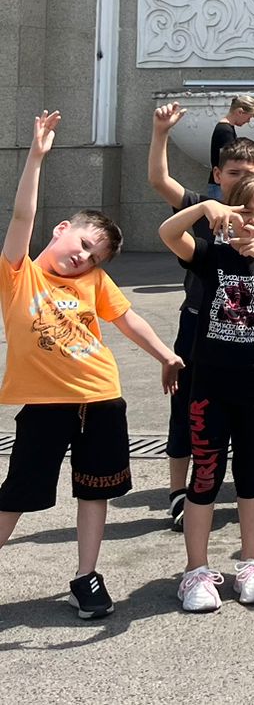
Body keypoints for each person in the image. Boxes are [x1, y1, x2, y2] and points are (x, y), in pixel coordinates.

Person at [0, 111, 181, 621]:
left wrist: (166, 355)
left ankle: (86, 576)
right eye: (82, 244)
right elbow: (21, 218)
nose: (83, 258)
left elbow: (128, 319)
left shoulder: (93, 283)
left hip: (101, 397)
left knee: (94, 489)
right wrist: (36, 158)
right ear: (61, 230)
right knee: (19, 492)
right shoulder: (19, 275)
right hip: (45, 406)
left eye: (94, 256)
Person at [148, 106, 254, 529]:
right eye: (234, 173)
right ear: (218, 175)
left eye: (251, 173)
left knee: (250, 432)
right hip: (200, 324)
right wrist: (161, 134)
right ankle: (180, 492)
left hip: (252, 344)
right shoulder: (205, 209)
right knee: (188, 410)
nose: (242, 180)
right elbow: (160, 187)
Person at [158, 175, 254, 612]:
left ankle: (252, 564)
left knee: (252, 472)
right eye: (245, 211)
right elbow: (168, 234)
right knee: (205, 475)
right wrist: (203, 209)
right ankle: (196, 570)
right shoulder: (212, 254)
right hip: (210, 382)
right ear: (230, 212)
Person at [210, 94, 254, 171]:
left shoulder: (226, 128)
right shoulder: (225, 131)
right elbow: (229, 160)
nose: (248, 121)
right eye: (248, 117)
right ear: (240, 112)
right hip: (222, 177)